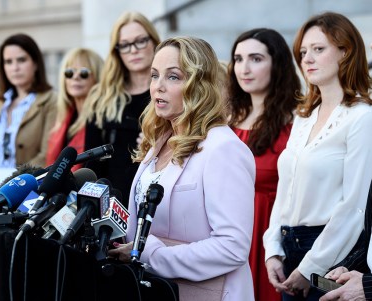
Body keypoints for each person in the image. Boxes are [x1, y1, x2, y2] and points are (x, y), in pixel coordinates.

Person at [108, 36, 256, 301]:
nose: (158, 87)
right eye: (154, 76)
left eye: (173, 77)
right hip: (155, 290)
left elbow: (233, 247)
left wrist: (150, 254)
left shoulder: (223, 148)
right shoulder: (159, 141)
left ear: (199, 85)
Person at [263, 11, 372, 301]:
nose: (307, 59)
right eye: (302, 52)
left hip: (332, 257)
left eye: (318, 49)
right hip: (289, 248)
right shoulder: (304, 117)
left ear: (346, 52)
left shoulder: (361, 118)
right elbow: (284, 192)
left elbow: (354, 208)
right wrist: (273, 249)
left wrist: (312, 266)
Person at [227, 28, 301, 301]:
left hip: (273, 236)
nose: (244, 68)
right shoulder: (224, 120)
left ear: (277, 64)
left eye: (256, 59)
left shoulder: (298, 122)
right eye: (238, 59)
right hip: (230, 233)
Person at [78, 11, 160, 206]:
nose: (133, 50)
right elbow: (92, 162)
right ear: (117, 51)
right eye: (125, 45)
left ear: (154, 42)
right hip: (113, 202)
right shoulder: (102, 97)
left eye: (140, 41)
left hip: (157, 199)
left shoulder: (168, 92)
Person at [0, 33, 57, 203]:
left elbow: (47, 153)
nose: (14, 67)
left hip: (27, 194)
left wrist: (11, 188)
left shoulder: (51, 101)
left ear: (36, 63)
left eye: (21, 60)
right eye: (8, 62)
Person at [46, 48, 104, 171]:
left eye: (84, 73)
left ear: (98, 77)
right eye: (69, 72)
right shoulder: (63, 117)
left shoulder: (102, 118)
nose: (76, 77)